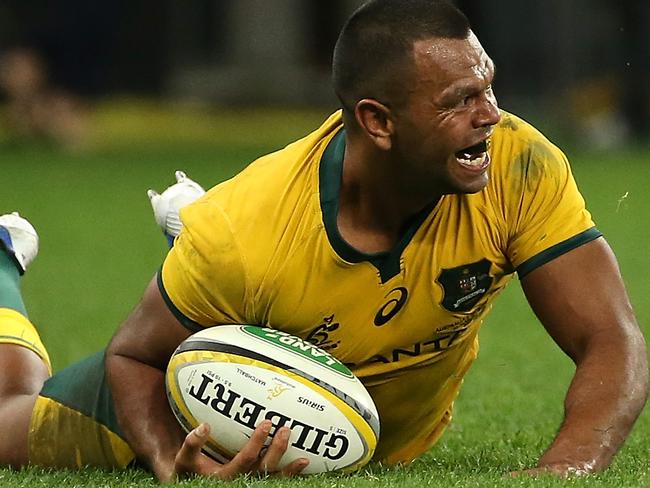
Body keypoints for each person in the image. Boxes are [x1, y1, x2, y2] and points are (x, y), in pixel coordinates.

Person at [0, 0, 647, 482]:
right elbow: (135, 357)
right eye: (461, 99)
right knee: (8, 420)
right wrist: (173, 463)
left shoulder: (516, 164)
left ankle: (187, 247)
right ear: (377, 121)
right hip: (222, 331)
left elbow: (613, 338)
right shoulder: (248, 229)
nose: (492, 114)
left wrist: (566, 469)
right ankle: (5, 257)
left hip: (319, 361)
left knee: (247, 266)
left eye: (489, 85)